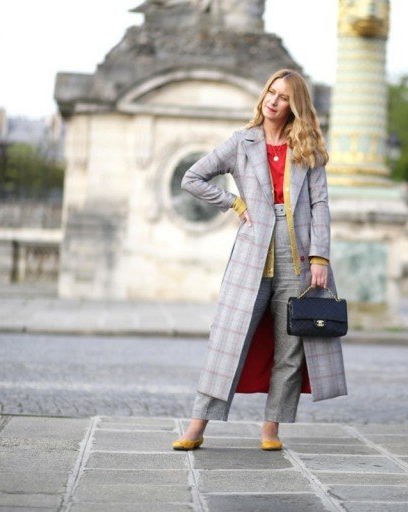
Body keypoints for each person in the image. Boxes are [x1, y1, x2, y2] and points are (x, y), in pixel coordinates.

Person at [172, 69, 347, 451]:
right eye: (271, 91)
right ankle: (196, 427)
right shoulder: (241, 142)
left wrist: (321, 257)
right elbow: (192, 177)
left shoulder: (309, 148)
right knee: (228, 341)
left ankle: (271, 430)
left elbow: (320, 204)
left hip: (299, 256)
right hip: (253, 252)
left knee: (291, 345)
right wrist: (233, 202)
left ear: (294, 105)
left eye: (284, 96)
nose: (273, 100)